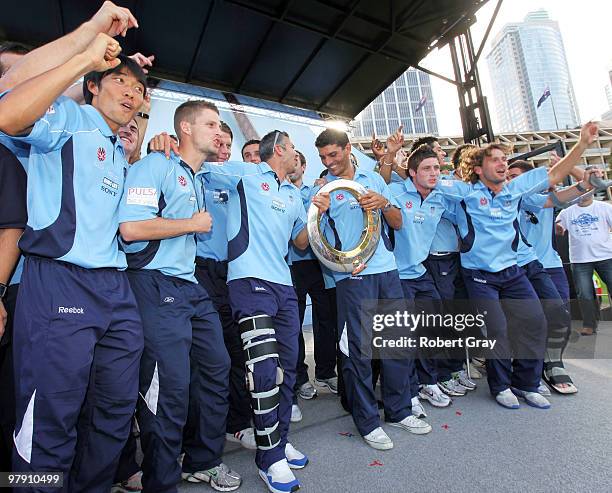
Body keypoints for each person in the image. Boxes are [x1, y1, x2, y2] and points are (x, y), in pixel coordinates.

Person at [0, 29, 147, 491]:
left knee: (114, 409)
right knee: (49, 417)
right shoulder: (66, 117)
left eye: (139, 88)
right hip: (61, 282)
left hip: (115, 290)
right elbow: (7, 115)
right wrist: (83, 57)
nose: (132, 91)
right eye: (120, 81)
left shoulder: (120, 149)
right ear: (92, 85)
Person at [119, 100, 241, 492]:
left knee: (215, 370)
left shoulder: (197, 176)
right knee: (167, 388)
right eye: (211, 124)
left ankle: (203, 460)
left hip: (190, 287)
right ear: (185, 129)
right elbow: (132, 229)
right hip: (154, 284)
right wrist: (190, 223)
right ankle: (162, 482)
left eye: (221, 125)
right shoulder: (156, 165)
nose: (219, 132)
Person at [436, 122, 598, 409]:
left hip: (512, 272)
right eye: (495, 160)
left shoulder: (514, 189)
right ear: (478, 168)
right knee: (497, 328)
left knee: (536, 322)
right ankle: (500, 387)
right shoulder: (464, 192)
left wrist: (583, 143)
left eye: (504, 159)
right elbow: (427, 180)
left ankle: (527, 383)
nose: (502, 164)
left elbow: (555, 175)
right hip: (479, 276)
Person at [203, 130, 313, 493]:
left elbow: (299, 240)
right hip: (248, 284)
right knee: (264, 372)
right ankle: (269, 460)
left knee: (288, 371)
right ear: (279, 149)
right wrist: (167, 147)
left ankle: (278, 441)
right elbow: (200, 166)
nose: (297, 154)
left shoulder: (294, 194)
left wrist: (315, 213)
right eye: (293, 147)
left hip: (284, 287)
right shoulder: (247, 174)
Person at [314, 128, 424, 451]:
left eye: (333, 154)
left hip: (387, 271)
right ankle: (367, 422)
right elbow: (314, 242)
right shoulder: (322, 189)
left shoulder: (373, 178)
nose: (329, 162)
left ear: (348, 149)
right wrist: (319, 213)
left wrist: (384, 201)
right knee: (358, 353)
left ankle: (399, 410)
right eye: (323, 157)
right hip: (352, 277)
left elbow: (398, 222)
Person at [195, 121, 257, 450]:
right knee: (207, 357)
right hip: (199, 273)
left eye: (226, 142)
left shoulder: (239, 180)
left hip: (233, 273)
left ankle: (238, 423)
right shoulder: (193, 173)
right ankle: (197, 434)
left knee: (236, 352)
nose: (221, 146)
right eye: (215, 139)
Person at [288, 150, 338, 422]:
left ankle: (326, 372)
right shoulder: (279, 189)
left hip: (319, 264)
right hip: (291, 264)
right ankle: (299, 378)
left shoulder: (317, 189)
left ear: (303, 165)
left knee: (326, 319)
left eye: (296, 161)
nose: (291, 165)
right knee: (293, 323)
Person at [556, 191, 612, 336]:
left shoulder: (604, 207)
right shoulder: (566, 212)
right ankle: (589, 325)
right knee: (584, 294)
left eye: (587, 191)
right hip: (580, 259)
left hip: (606, 256)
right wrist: (557, 228)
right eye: (581, 191)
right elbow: (559, 231)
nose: (583, 194)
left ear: (592, 192)